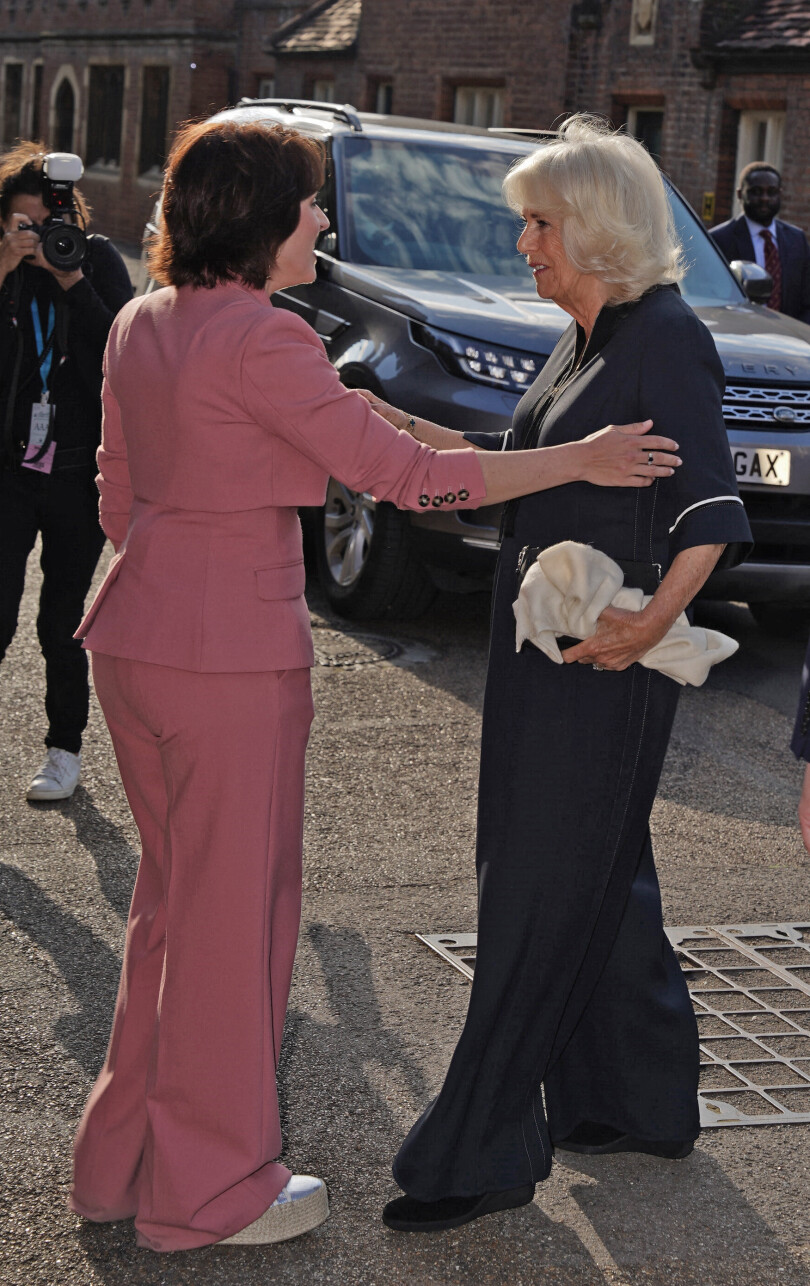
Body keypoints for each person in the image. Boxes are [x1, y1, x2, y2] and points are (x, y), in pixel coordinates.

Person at [67, 116, 681, 1254]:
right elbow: (406, 478)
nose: (323, 219)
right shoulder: (264, 340)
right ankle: (208, 1192)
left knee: (169, 907)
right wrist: (575, 459)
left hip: (133, 634)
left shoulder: (147, 322)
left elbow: (123, 490)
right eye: (306, 201)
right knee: (230, 924)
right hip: (227, 658)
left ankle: (121, 1164)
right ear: (259, 218)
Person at [365, 115, 753, 1234]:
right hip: (545, 660)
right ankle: (638, 1096)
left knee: (536, 892)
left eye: (539, 224)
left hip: (602, 669)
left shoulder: (661, 336)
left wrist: (648, 628)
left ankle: (477, 1147)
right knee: (602, 877)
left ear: (596, 227)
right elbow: (519, 464)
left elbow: (711, 511)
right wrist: (380, 421)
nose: (524, 245)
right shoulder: (582, 334)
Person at [0, 142, 133, 801]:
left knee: (61, 622)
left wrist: (72, 282)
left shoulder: (97, 260)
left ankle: (63, 750)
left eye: (46, 225)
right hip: (9, 471)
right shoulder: (7, 272)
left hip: (79, 474)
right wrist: (6, 265)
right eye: (23, 226)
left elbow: (125, 357)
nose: (39, 238)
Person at [710, 162, 810, 322]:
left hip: (789, 337)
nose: (765, 198)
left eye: (771, 192)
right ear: (740, 194)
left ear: (780, 194)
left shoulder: (797, 239)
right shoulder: (719, 239)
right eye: (756, 192)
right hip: (740, 333)